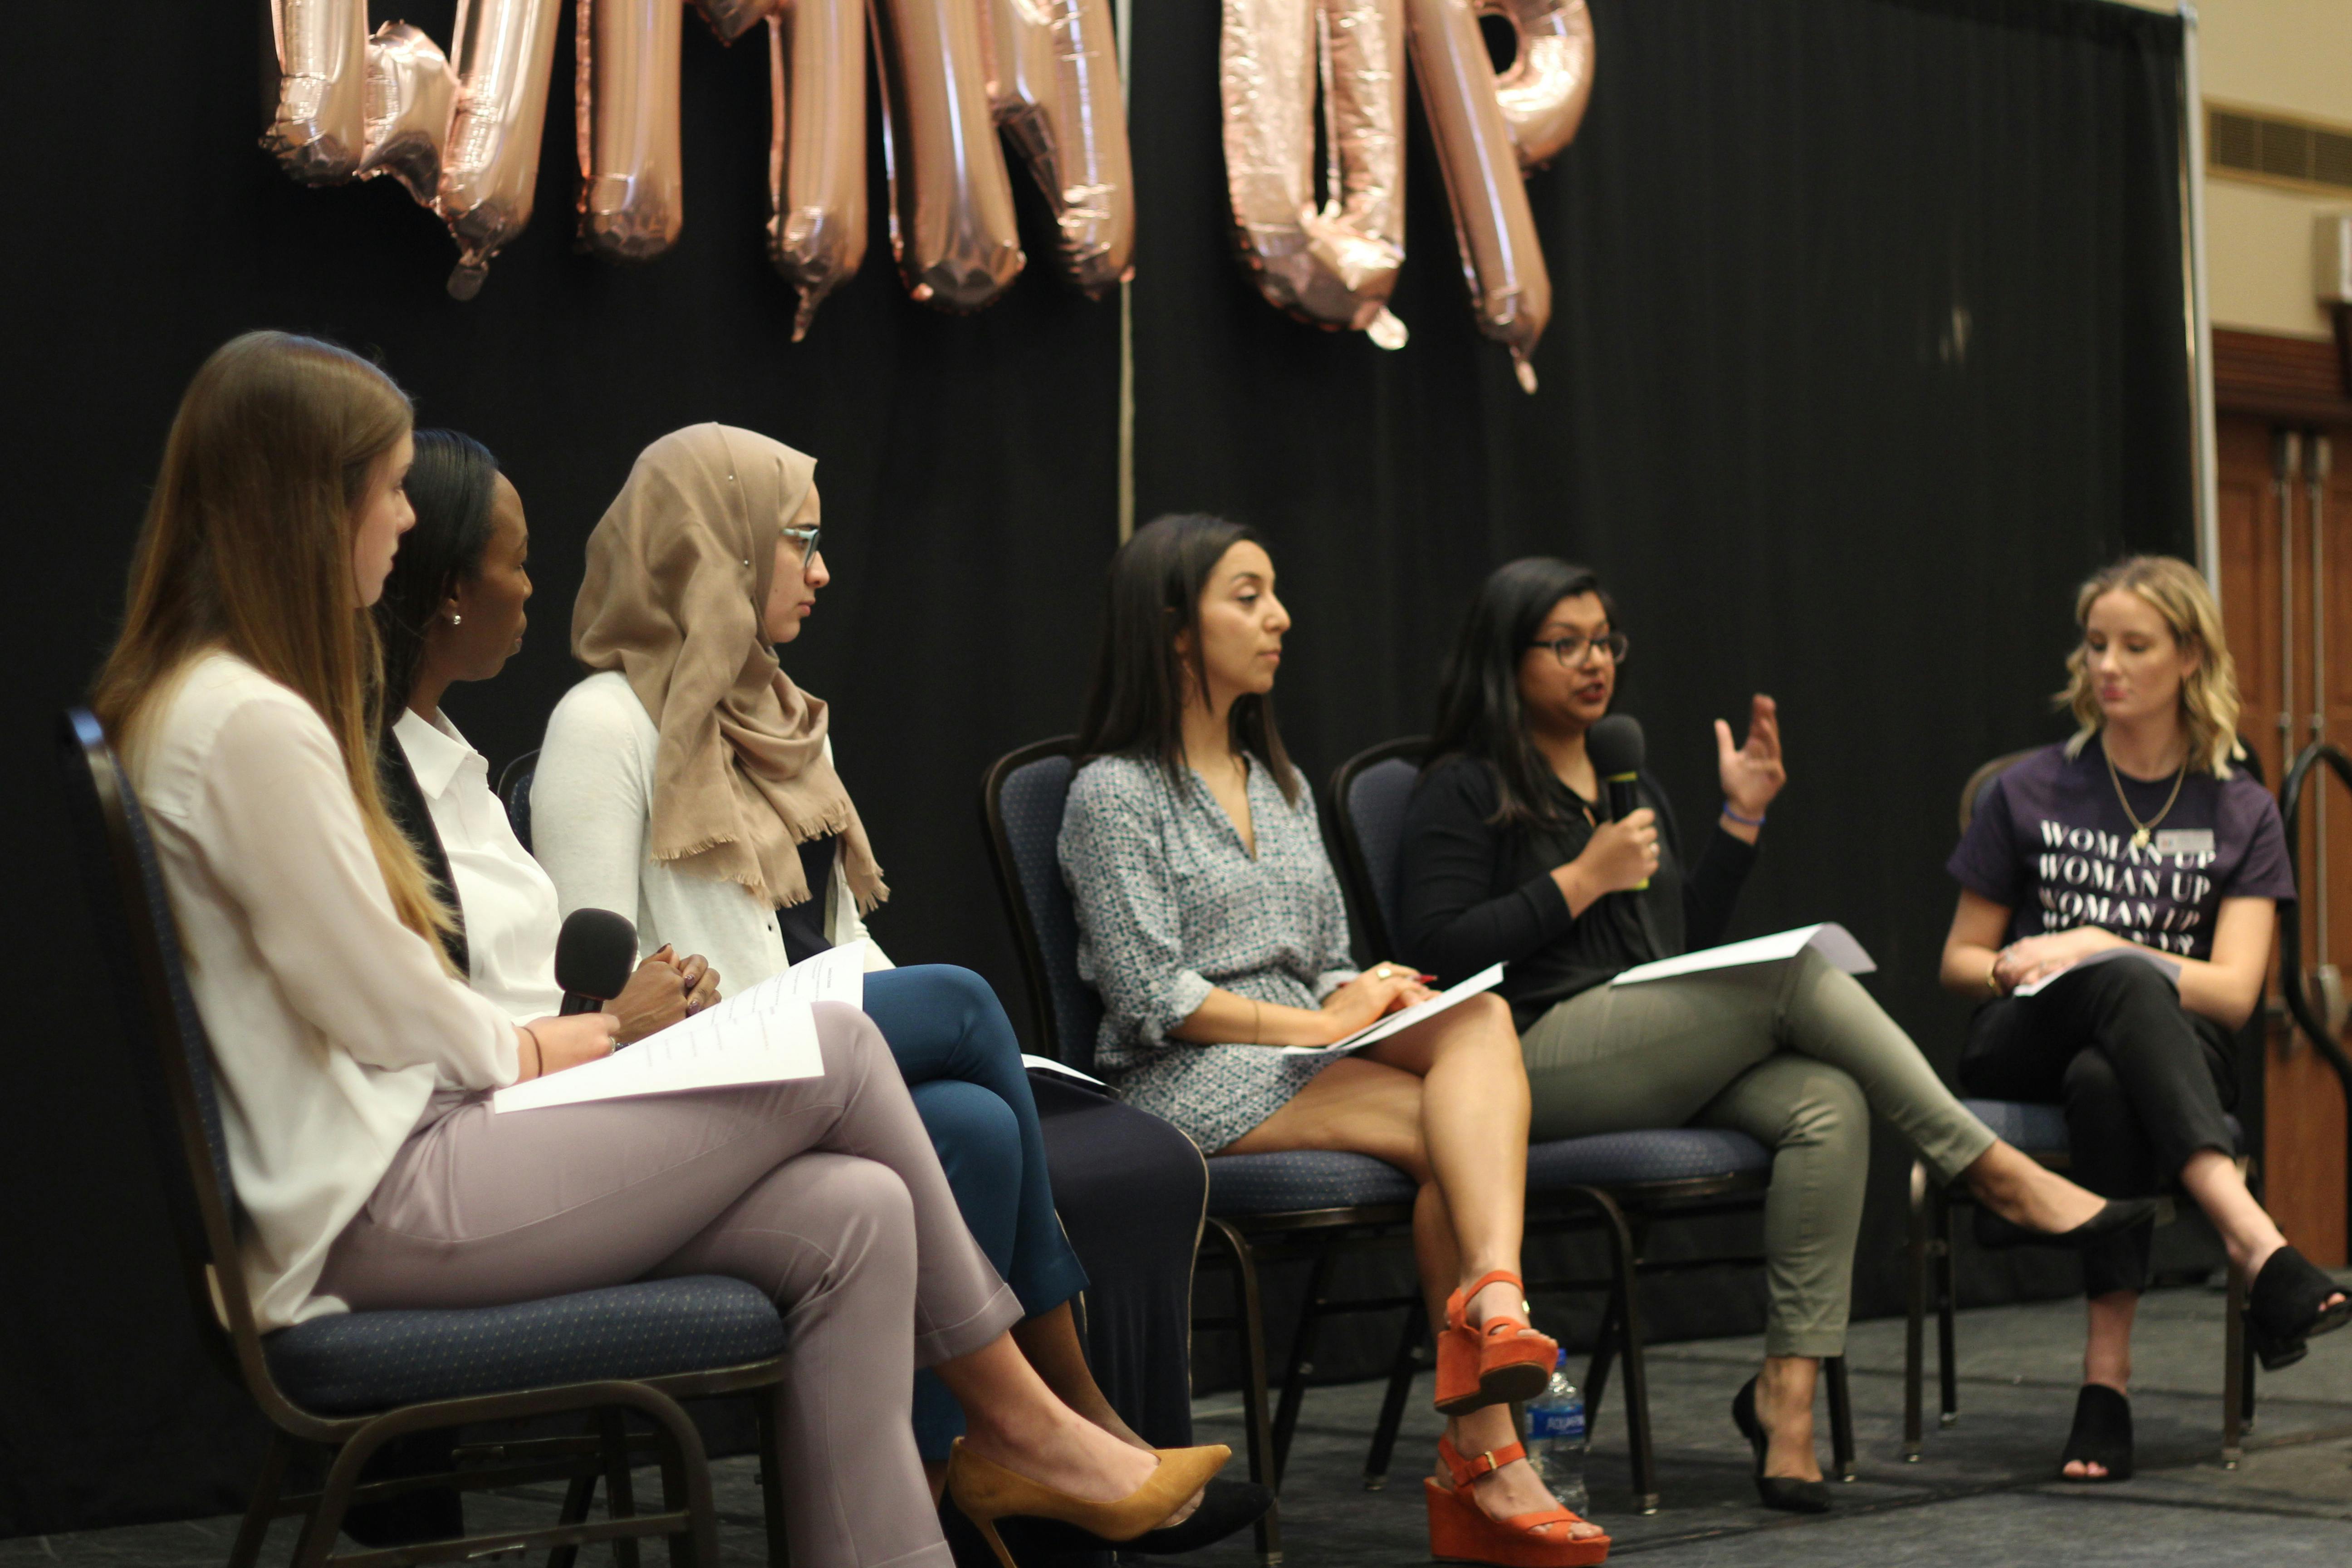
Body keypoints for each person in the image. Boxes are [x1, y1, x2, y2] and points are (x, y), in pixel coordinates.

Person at [91, 332, 1225, 1568]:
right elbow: (396, 1012)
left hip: (417, 1154)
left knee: (856, 1212)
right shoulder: (250, 719)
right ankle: (1018, 1420)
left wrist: (573, 1038)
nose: (406, 521)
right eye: (392, 488)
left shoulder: (214, 703)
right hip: (383, 1195)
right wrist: (580, 1036)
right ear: (314, 504)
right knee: (843, 1045)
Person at [528, 425, 1238, 1545]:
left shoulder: (786, 719)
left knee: (975, 1130)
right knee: (961, 1004)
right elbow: (579, 994)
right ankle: (1068, 1413)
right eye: (796, 541)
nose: (820, 571)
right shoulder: (603, 723)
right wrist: (656, 1002)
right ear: (712, 547)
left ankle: (946, 1487)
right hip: (684, 1096)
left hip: (811, 1070)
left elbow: (842, 949)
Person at [1396, 556, 2154, 1513]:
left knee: (1828, 1103)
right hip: (1518, 1064)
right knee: (1796, 975)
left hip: (1642, 1043)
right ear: (1506, 660)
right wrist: (1576, 882)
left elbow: (1680, 947)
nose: (1596, 663)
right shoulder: (1461, 787)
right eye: (1567, 645)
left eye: (1606, 643)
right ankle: (1993, 1170)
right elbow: (1430, 954)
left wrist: (1739, 823)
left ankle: (1784, 1403)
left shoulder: (1624, 775)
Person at [1058, 515, 1610, 1568]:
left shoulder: (1283, 783)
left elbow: (1320, 955)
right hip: (1184, 1079)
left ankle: (1491, 1307)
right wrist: (1321, 1020)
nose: (1282, 618)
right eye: (1250, 595)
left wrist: (1364, 988)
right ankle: (1487, 1460)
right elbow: (1149, 997)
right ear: (1176, 629)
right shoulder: (1111, 792)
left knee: (1479, 1020)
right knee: (1449, 1136)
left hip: (1307, 1047)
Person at [1940, 554, 2348, 1483]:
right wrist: (2044, 960)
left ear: (2192, 656)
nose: (2106, 667)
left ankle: (2105, 1388)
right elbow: (1959, 962)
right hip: (2026, 1034)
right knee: (2111, 993)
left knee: (2108, 1070)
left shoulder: (2241, 807)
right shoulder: (2030, 789)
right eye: (2094, 647)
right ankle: (2255, 1240)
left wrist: (2093, 939)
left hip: (2162, 1053)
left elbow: (2237, 992)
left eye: (2134, 646)